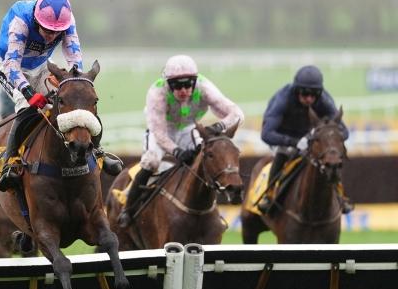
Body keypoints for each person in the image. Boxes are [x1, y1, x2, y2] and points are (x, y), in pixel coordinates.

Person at [0, 0, 122, 192]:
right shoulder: (21, 21)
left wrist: (76, 84)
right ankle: (10, 163)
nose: (52, 35)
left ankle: (97, 151)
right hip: (10, 69)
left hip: (42, 65)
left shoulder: (68, 21)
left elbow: (74, 58)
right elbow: (12, 65)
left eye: (56, 32)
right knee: (27, 108)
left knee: (76, 100)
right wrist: (29, 93)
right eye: (47, 30)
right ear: (36, 20)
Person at [118, 54, 244, 227]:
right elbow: (159, 133)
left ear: (195, 82)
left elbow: (237, 114)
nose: (183, 90)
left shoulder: (204, 87)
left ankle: (213, 210)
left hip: (188, 129)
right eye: (177, 85)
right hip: (162, 130)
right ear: (168, 84)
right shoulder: (157, 93)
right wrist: (177, 151)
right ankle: (128, 210)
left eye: (188, 84)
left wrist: (219, 126)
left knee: (204, 162)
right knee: (151, 161)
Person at [257, 65, 352, 214]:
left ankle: (341, 196)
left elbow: (344, 132)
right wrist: (294, 142)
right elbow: (266, 134)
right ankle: (268, 196)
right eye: (305, 93)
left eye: (314, 95)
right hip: (282, 136)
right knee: (284, 153)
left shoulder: (324, 100)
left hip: (309, 136)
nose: (309, 99)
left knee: (330, 158)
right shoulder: (283, 99)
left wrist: (326, 138)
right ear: (296, 90)